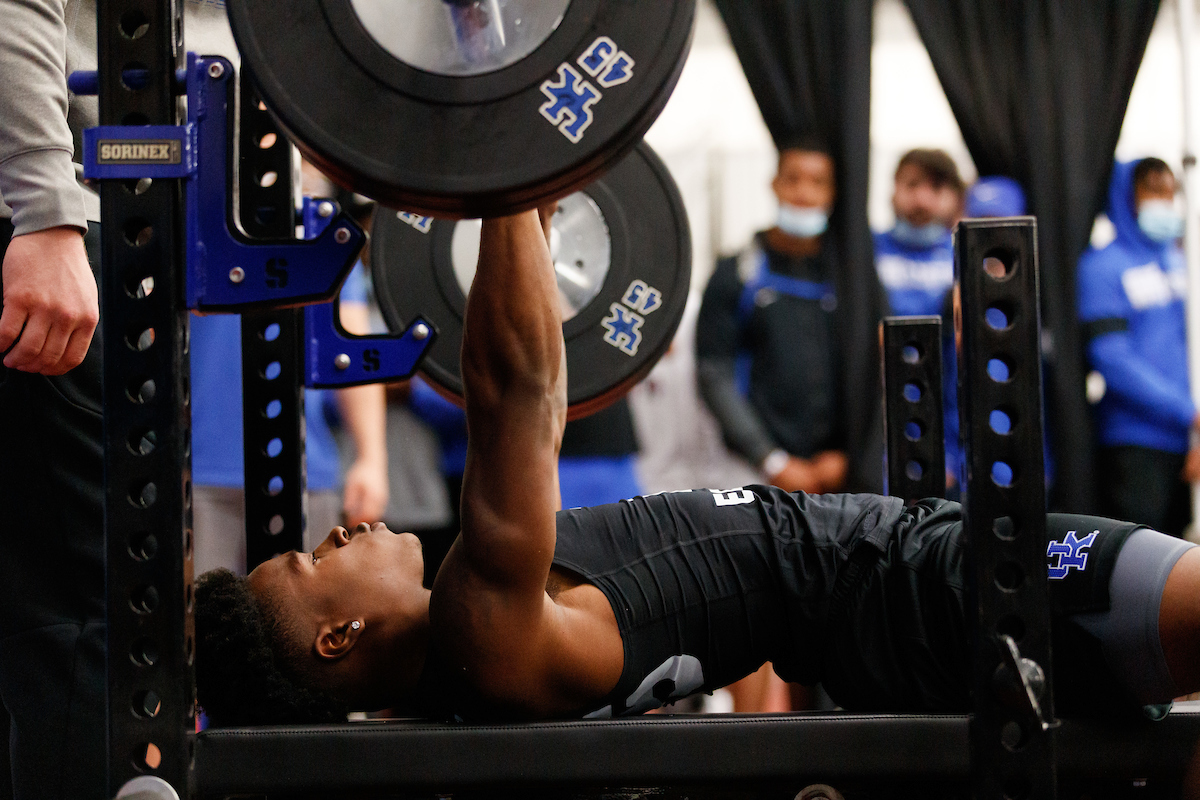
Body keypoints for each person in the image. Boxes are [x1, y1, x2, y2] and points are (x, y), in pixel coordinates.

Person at [195, 210, 1200, 728]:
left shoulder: (478, 646)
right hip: (920, 592)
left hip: (897, 586)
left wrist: (526, 205)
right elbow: (514, 391)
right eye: (314, 559)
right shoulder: (478, 636)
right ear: (337, 635)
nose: (335, 531)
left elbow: (534, 394)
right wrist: (504, 168)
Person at [695, 139, 851, 499]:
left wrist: (852, 453)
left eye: (817, 182)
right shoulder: (736, 271)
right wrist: (771, 460)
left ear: (833, 193)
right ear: (774, 184)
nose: (803, 193)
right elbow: (713, 372)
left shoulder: (851, 279)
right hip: (753, 473)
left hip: (839, 475)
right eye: (792, 179)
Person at [1078, 158, 1197, 537]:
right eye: (1151, 191)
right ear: (1126, 196)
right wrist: (1186, 412)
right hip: (1135, 442)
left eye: (1168, 192)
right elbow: (1111, 358)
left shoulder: (1182, 261)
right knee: (1141, 557)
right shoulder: (1102, 267)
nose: (1162, 202)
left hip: (1188, 438)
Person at [874, 149, 965, 318]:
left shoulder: (965, 256)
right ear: (893, 190)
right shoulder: (865, 249)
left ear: (955, 198)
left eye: (936, 188)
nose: (922, 200)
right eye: (912, 184)